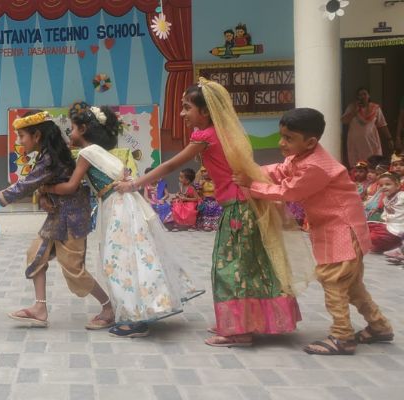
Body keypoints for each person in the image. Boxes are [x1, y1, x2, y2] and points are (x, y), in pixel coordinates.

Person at [116, 79, 304, 347]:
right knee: (250, 265)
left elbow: (170, 165)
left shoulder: (204, 137)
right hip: (245, 207)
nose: (182, 113)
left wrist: (133, 184)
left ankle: (239, 331)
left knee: (230, 267)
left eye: (187, 107)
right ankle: (241, 322)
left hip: (238, 210)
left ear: (205, 111)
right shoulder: (224, 133)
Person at [234, 107, 393, 355]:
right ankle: (379, 326)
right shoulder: (300, 157)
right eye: (281, 136)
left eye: (289, 138)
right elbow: (280, 171)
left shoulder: (315, 166)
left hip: (342, 230)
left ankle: (342, 337)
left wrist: (252, 185)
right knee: (352, 286)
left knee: (333, 281)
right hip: (338, 229)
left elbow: (289, 191)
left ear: (310, 142)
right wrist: (253, 171)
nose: (281, 142)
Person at [42, 103, 203, 338]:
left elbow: (71, 186)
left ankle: (135, 319)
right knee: (135, 255)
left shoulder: (87, 153)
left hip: (117, 207)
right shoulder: (102, 152)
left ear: (83, 129)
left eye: (73, 128)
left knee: (118, 259)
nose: (71, 133)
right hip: (125, 204)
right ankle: (145, 307)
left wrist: (45, 188)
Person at [0, 110, 115, 329]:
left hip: (72, 219)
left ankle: (108, 308)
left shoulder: (50, 158)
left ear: (37, 136)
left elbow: (26, 185)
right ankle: (40, 309)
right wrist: (43, 194)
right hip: (57, 216)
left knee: (74, 270)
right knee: (35, 254)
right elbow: (38, 184)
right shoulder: (47, 155)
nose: (19, 141)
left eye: (22, 136)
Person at [343, 87, 393, 166]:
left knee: (373, 165)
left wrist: (389, 139)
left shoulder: (375, 108)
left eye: (364, 94)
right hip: (356, 143)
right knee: (358, 167)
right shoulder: (352, 107)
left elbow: (382, 125)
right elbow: (344, 121)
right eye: (360, 95)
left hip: (371, 142)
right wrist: (354, 111)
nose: (362, 96)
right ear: (357, 97)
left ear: (369, 96)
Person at [367, 172, 404, 253]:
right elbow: (385, 214)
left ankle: (395, 245)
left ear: (398, 186)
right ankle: (384, 245)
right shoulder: (385, 199)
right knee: (365, 227)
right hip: (388, 225)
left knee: (373, 237)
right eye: (381, 185)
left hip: (398, 229)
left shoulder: (402, 196)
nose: (384, 187)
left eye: (388, 184)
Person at [195, 166, 222, 231]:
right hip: (205, 200)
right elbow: (198, 194)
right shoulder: (200, 182)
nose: (205, 173)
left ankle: (215, 224)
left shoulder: (216, 181)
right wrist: (200, 186)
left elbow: (219, 191)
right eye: (203, 172)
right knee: (206, 207)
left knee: (219, 207)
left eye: (206, 171)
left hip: (215, 199)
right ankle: (206, 224)